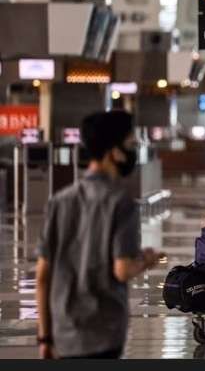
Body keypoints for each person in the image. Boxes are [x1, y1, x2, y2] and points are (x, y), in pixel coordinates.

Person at [35, 111, 164, 359]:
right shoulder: (121, 203)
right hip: (103, 333)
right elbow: (123, 270)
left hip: (65, 332)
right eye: (129, 144)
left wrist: (45, 337)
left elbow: (42, 276)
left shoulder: (59, 201)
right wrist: (146, 261)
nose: (132, 151)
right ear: (113, 152)